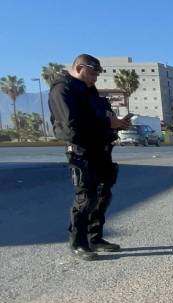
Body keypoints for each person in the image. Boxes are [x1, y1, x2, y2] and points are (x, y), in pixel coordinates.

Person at [48, 54, 131, 261]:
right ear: (79, 67)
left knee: (104, 194)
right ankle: (78, 242)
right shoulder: (63, 89)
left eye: (96, 75)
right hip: (81, 152)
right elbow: (71, 127)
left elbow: (100, 114)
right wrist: (106, 123)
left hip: (101, 150)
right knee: (86, 198)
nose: (95, 79)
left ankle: (95, 238)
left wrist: (116, 122)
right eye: (92, 74)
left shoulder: (88, 89)